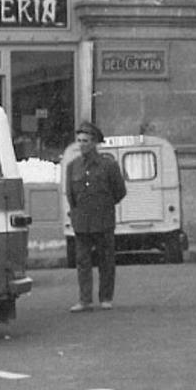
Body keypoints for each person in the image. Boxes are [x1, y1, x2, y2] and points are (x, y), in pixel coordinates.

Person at [65, 121, 126, 312]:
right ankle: (85, 300)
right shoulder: (73, 166)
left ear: (94, 143)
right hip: (82, 221)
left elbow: (119, 191)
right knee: (83, 262)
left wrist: (104, 207)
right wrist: (77, 213)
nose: (81, 144)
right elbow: (70, 194)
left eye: (85, 141)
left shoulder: (108, 165)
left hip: (103, 219)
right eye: (79, 141)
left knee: (106, 259)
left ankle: (106, 297)